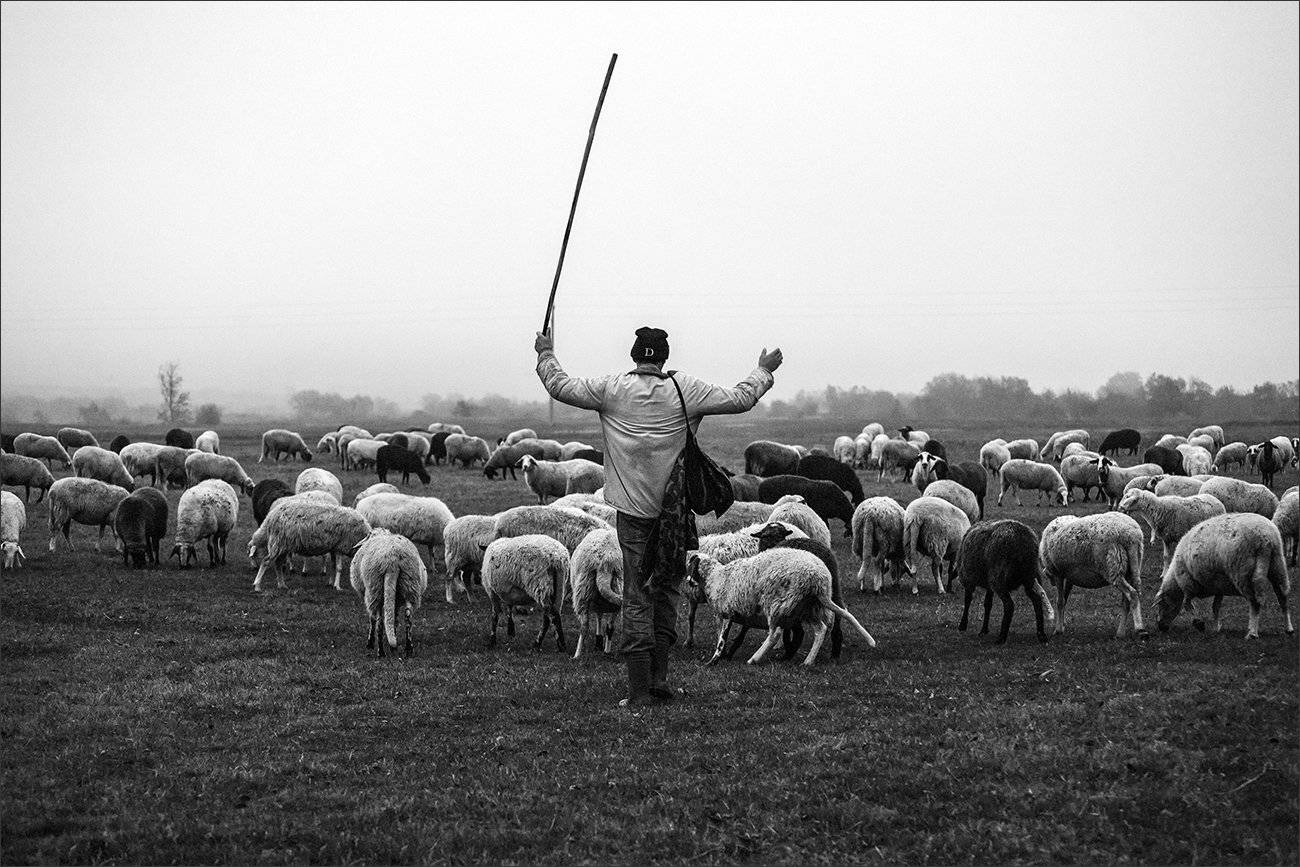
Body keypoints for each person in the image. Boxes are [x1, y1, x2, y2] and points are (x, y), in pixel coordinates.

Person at [535, 326, 782, 708]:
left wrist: (545, 351)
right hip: (675, 514)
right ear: (663, 358)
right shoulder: (685, 389)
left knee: (636, 595)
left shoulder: (611, 388)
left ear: (635, 356)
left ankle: (638, 691)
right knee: (667, 589)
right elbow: (741, 398)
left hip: (632, 514)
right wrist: (763, 370)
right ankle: (660, 679)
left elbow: (560, 386)